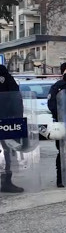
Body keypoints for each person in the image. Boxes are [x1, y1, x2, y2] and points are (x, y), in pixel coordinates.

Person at [0, 63, 24, 193]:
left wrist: (18, 119)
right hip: (8, 121)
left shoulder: (5, 75)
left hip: (7, 122)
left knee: (7, 152)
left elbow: (16, 98)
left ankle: (6, 182)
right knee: (7, 152)